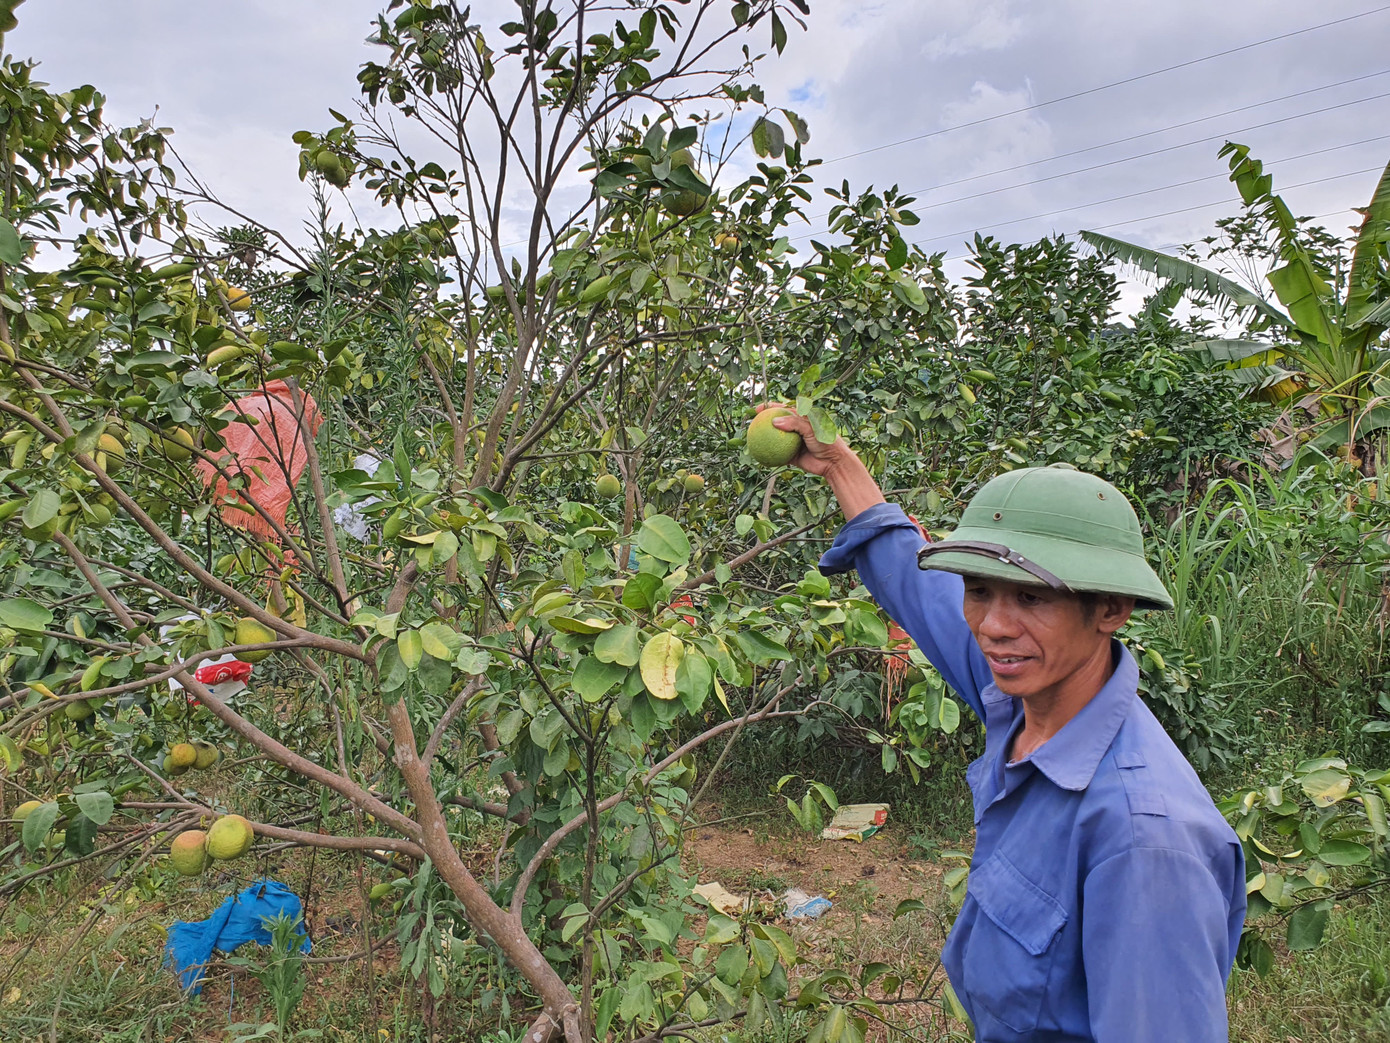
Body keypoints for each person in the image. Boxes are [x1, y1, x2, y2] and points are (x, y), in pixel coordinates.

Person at [766, 406, 1247, 1042]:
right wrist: (838, 465)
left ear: (1111, 608)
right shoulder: (1025, 689)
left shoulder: (1143, 842)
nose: (993, 625)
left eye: (1030, 597)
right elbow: (918, 587)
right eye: (980, 589)